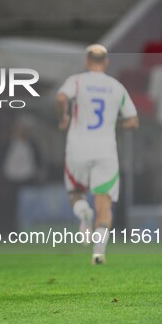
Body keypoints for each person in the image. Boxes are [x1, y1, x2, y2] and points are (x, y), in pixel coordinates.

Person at [56, 44, 139, 265]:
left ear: (87, 61)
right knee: (105, 203)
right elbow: (133, 121)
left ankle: (83, 211)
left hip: (78, 147)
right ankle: (98, 252)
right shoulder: (116, 87)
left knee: (75, 191)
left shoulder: (77, 81)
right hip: (105, 150)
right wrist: (114, 122)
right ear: (106, 62)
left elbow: (61, 97)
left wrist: (64, 118)